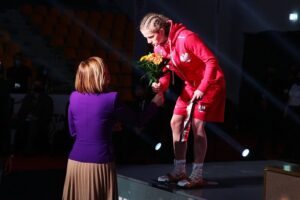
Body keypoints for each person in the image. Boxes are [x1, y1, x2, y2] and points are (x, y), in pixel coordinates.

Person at [139, 13, 226, 188]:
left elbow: (211, 61)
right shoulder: (159, 48)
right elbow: (165, 75)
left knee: (196, 124)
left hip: (210, 84)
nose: (149, 42)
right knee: (175, 122)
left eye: (150, 37)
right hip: (190, 86)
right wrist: (160, 86)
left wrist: (202, 88)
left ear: (161, 31)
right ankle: (179, 170)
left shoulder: (187, 38)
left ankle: (197, 175)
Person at [62, 56, 163, 200]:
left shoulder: (74, 97)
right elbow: (138, 121)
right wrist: (154, 104)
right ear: (96, 76)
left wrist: (106, 127)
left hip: (75, 162)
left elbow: (74, 131)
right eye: (104, 70)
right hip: (99, 162)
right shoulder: (111, 98)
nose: (108, 72)